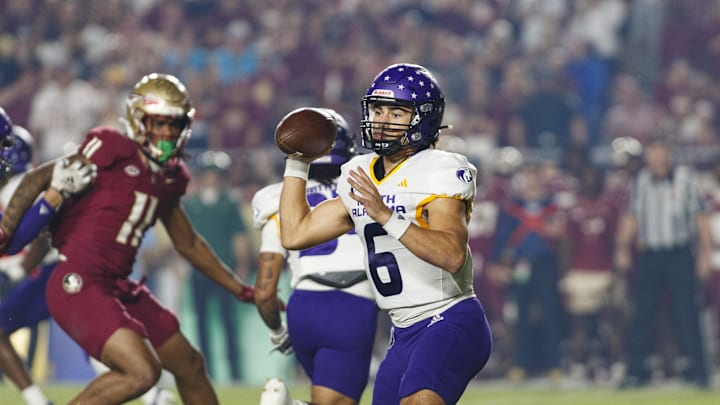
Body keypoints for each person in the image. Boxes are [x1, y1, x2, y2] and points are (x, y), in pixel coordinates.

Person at [0, 73, 262, 404]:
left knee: (190, 363)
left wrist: (240, 288)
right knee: (142, 372)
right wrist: (8, 231)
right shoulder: (110, 147)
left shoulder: (170, 177)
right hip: (79, 280)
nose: (167, 133)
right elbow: (37, 178)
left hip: (118, 285)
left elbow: (188, 243)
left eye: (174, 124)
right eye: (159, 123)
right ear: (139, 120)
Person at [276, 63, 492, 405]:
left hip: (450, 317)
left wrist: (385, 214)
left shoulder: (441, 169)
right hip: (402, 331)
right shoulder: (358, 172)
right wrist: (297, 164)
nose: (382, 120)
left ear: (424, 118)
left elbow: (452, 255)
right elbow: (294, 233)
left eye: (396, 112)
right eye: (378, 109)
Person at [0, 118, 174, 405]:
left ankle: (151, 396)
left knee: (93, 331)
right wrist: (53, 197)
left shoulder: (16, 185)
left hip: (61, 269)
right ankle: (153, 397)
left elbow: (17, 238)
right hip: (62, 267)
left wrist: (53, 197)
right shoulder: (18, 186)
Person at [253, 109, 378, 405]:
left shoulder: (279, 198)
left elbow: (264, 293)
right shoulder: (367, 190)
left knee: (326, 397)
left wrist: (277, 331)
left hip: (304, 306)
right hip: (352, 305)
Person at [615, 137, 711, 388]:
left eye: (660, 153)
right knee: (642, 313)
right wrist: (622, 247)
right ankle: (637, 370)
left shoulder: (687, 180)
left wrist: (704, 254)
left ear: (669, 154)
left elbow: (701, 220)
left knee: (687, 312)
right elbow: (631, 217)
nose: (656, 158)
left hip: (679, 253)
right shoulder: (640, 181)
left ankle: (699, 370)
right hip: (650, 253)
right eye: (652, 153)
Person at [182, 150, 251, 382]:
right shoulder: (191, 205)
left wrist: (241, 265)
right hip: (199, 272)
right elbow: (183, 238)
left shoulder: (228, 204)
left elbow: (238, 237)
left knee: (227, 323)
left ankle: (234, 372)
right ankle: (206, 371)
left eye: (215, 174)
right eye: (208, 173)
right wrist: (179, 264)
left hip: (224, 271)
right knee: (202, 325)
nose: (211, 178)